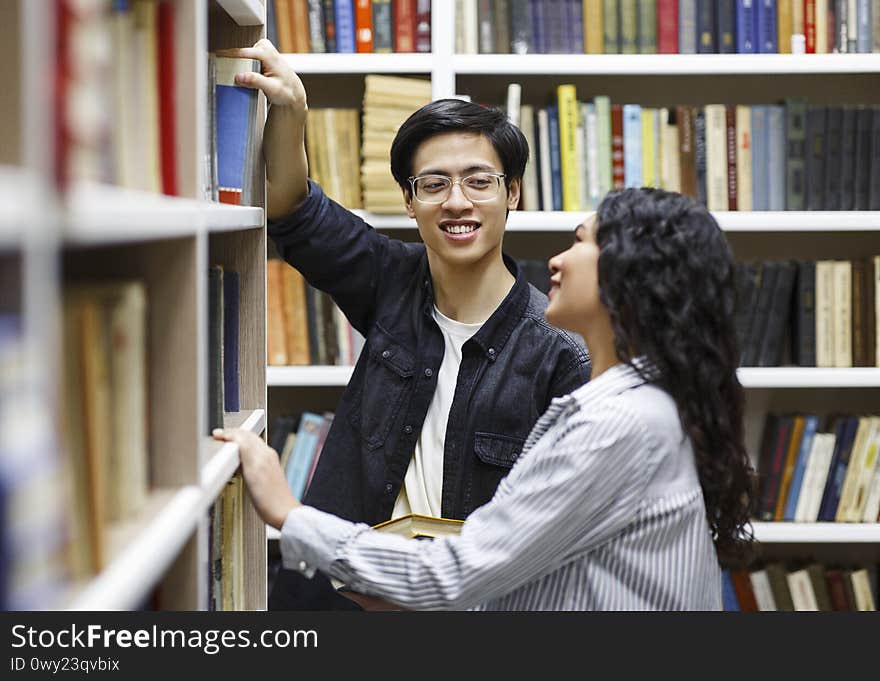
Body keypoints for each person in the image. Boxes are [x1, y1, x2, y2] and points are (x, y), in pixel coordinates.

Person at [214, 187, 757, 610]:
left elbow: (457, 573)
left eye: (582, 241)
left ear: (635, 271)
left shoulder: (618, 422)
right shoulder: (646, 403)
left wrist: (287, 512)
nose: (559, 260)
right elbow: (545, 573)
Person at [223, 40, 591, 609]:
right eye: (434, 184)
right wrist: (292, 110)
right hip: (340, 594)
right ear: (410, 200)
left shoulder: (561, 354)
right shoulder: (389, 282)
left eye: (479, 181)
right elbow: (292, 211)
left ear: (512, 193)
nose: (457, 202)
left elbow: (553, 533)